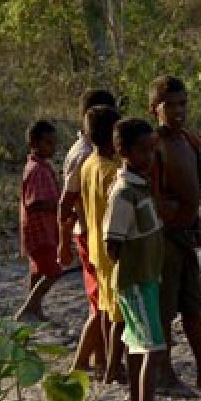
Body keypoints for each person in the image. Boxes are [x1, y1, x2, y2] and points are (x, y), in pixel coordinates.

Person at [148, 76, 201, 393]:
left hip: (186, 233)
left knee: (192, 305)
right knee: (165, 309)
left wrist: (196, 222)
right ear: (155, 109)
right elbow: (153, 194)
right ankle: (164, 372)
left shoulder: (189, 141)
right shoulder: (153, 145)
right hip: (164, 237)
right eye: (171, 105)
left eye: (183, 104)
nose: (179, 111)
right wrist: (171, 215)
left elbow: (194, 188)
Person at [102, 118, 167, 401]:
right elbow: (111, 242)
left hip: (146, 278)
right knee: (153, 348)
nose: (150, 156)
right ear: (124, 151)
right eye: (143, 151)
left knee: (138, 346)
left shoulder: (139, 184)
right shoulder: (124, 191)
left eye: (151, 149)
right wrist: (129, 269)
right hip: (136, 281)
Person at [59, 88, 117, 373]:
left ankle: (101, 358)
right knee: (102, 305)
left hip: (92, 233)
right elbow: (65, 201)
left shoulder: (91, 154)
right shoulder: (84, 156)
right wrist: (63, 241)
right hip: (91, 235)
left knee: (103, 302)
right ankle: (81, 363)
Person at [81, 104, 127, 384]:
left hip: (96, 247)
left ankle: (107, 363)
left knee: (105, 309)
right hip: (113, 251)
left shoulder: (88, 165)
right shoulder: (112, 172)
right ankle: (113, 366)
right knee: (118, 314)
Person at [15, 120, 62, 322]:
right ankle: (27, 309)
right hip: (41, 231)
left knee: (38, 272)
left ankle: (35, 309)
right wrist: (56, 206)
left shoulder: (41, 166)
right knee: (53, 271)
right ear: (34, 143)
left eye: (54, 143)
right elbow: (35, 203)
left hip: (44, 230)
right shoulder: (37, 170)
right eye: (48, 143)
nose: (53, 147)